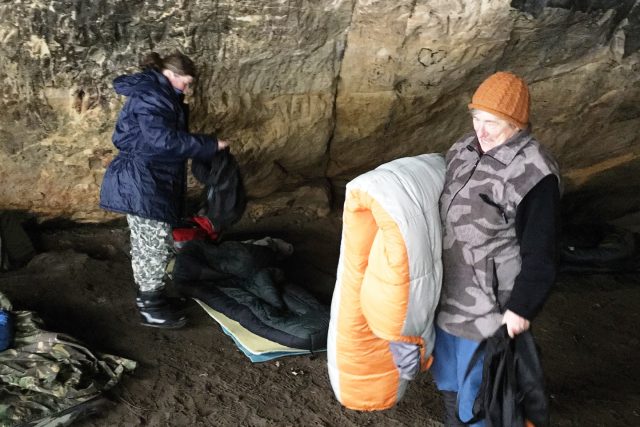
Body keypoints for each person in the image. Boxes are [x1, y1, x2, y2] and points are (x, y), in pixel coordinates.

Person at [432, 71, 561, 426]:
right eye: (477, 118)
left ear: (518, 125)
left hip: (491, 308)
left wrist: (521, 308)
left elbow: (542, 252)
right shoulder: (462, 149)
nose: (482, 130)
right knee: (448, 379)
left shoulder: (535, 173)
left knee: (482, 393)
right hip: (449, 293)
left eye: (494, 123)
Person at [99, 51, 229, 328]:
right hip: (143, 180)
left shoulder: (157, 92)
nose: (187, 88)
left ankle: (154, 297)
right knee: (151, 245)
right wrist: (208, 144)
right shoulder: (153, 96)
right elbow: (162, 140)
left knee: (154, 240)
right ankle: (150, 307)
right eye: (185, 82)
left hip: (149, 177)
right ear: (170, 75)